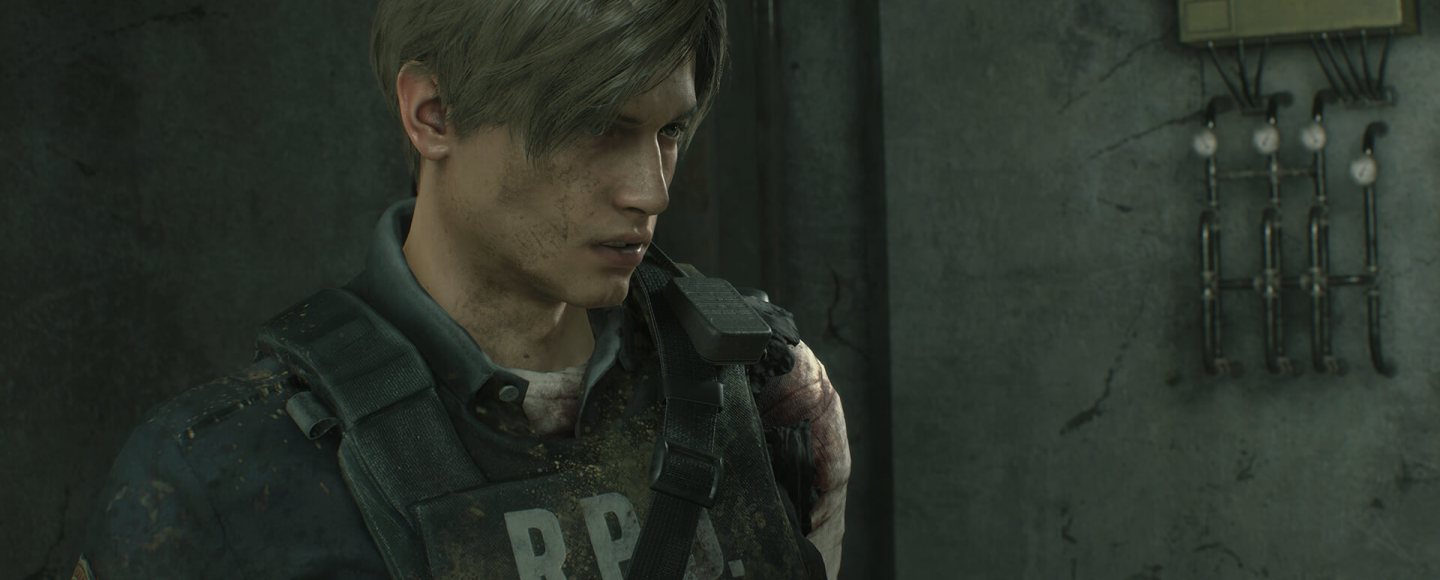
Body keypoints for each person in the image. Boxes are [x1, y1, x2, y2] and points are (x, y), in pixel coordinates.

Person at [75, 0, 850, 578]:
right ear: (433, 115)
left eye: (669, 131)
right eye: (596, 128)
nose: (651, 192)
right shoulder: (215, 476)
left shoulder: (766, 393)